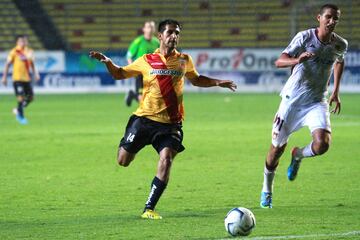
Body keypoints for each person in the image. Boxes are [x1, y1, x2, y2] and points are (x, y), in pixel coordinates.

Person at [90, 19, 237, 219]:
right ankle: (127, 141)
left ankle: (149, 208)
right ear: (160, 36)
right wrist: (108, 62)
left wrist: (218, 82)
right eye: (170, 32)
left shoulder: (184, 60)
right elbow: (119, 74)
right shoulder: (146, 60)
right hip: (144, 120)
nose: (174, 36)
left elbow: (196, 79)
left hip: (171, 125)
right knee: (123, 161)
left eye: (177, 33)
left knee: (166, 160)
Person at [260, 4, 348, 208]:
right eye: (328, 17)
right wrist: (297, 59)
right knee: (275, 150)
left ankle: (298, 154)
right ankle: (267, 188)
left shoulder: (340, 44)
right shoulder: (305, 38)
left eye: (336, 18)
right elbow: (279, 61)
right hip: (292, 101)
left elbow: (340, 61)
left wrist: (335, 90)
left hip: (317, 101)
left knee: (322, 144)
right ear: (319, 17)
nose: (332, 21)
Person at [1, 35, 40, 124]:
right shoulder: (14, 52)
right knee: (20, 98)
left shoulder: (30, 52)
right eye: (20, 41)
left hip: (26, 79)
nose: (22, 42)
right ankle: (21, 117)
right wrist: (4, 77)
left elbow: (32, 64)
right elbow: (7, 64)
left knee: (31, 98)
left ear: (27, 42)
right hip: (17, 79)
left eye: (24, 41)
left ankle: (17, 109)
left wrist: (36, 73)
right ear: (17, 42)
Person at [125, 20, 159, 107]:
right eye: (148, 27)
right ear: (144, 29)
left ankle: (132, 94)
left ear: (154, 29)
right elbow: (129, 56)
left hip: (152, 73)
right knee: (142, 100)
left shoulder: (157, 42)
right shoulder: (138, 41)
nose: (150, 29)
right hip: (140, 72)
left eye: (152, 27)